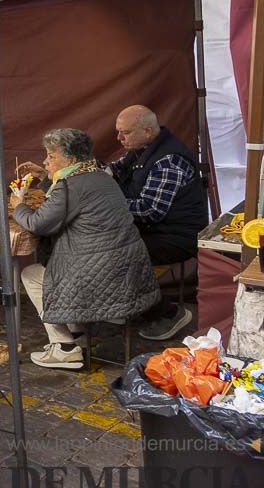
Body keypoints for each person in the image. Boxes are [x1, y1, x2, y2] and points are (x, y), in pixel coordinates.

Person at [12, 129, 161, 370]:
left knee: (31, 274)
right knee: (62, 267)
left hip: (102, 278)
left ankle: (64, 347)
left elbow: (39, 223)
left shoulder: (70, 186)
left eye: (50, 156)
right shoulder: (99, 175)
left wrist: (19, 205)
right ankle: (78, 334)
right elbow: (71, 198)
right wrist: (46, 176)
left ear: (70, 160)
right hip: (129, 272)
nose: (45, 161)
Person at [108, 105, 204, 340]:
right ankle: (124, 303)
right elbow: (112, 170)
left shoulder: (168, 161)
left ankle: (169, 313)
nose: (119, 138)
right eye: (118, 132)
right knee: (101, 246)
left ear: (148, 131)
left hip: (176, 237)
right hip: (153, 231)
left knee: (114, 255)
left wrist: (105, 204)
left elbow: (150, 210)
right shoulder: (141, 149)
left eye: (125, 132)